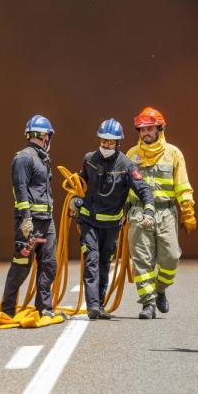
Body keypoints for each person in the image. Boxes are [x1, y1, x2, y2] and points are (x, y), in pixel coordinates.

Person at [71, 119, 155, 320]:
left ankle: (99, 304)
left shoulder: (127, 165)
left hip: (111, 226)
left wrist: (149, 211)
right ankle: (92, 306)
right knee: (91, 261)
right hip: (89, 222)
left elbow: (144, 190)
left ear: (119, 143)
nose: (106, 145)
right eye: (103, 140)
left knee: (104, 265)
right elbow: (81, 183)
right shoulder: (89, 159)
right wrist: (75, 199)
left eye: (110, 142)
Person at [125, 107, 196, 320]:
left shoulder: (173, 154)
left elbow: (182, 184)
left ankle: (160, 289)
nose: (145, 133)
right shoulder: (131, 155)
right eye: (142, 129)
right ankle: (148, 304)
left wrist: (188, 210)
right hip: (139, 212)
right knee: (142, 260)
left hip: (165, 212)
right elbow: (124, 188)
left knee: (171, 257)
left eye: (150, 128)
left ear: (160, 129)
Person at [0, 115, 58, 317]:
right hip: (29, 222)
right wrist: (26, 218)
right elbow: (20, 189)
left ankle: (44, 308)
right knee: (21, 266)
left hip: (46, 221)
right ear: (44, 136)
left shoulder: (42, 158)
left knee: (49, 265)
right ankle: (7, 310)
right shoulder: (23, 158)